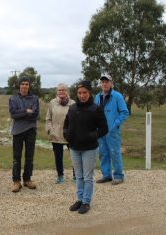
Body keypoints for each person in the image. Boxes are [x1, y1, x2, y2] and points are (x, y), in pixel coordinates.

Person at [63, 80, 108, 214]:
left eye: (85, 93)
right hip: (74, 148)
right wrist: (66, 134)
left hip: (89, 148)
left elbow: (104, 129)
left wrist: (92, 135)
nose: (82, 95)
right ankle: (79, 199)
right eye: (80, 93)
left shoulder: (96, 109)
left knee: (88, 176)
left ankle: (86, 202)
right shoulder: (72, 108)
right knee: (79, 176)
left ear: (89, 93)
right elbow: (66, 124)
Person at [94, 75, 129, 185]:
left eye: (107, 81)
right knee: (103, 153)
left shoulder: (117, 96)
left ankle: (118, 175)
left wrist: (115, 125)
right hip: (100, 131)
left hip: (112, 131)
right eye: (102, 82)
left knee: (114, 152)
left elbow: (124, 112)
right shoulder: (97, 97)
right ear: (100, 84)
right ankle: (107, 175)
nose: (104, 84)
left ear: (111, 83)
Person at [9, 76, 39, 193]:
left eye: (27, 84)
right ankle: (16, 181)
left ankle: (27, 179)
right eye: (23, 84)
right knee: (16, 157)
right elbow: (13, 114)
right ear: (19, 86)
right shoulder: (13, 99)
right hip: (17, 131)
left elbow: (35, 115)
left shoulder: (34, 98)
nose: (25, 86)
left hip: (31, 130)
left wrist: (21, 113)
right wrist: (26, 111)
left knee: (29, 157)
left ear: (29, 86)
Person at [45, 83, 75, 184]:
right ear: (57, 92)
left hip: (70, 134)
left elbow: (77, 119)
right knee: (58, 157)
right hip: (56, 134)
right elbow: (48, 118)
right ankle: (60, 176)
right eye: (59, 90)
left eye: (64, 90)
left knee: (75, 156)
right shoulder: (52, 103)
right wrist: (49, 129)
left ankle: (76, 176)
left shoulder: (73, 103)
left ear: (67, 91)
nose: (61, 92)